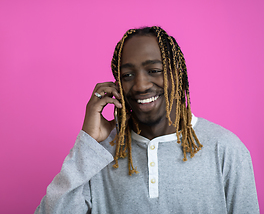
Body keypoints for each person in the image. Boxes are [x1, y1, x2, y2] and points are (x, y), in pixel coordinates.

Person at [34, 26, 259, 213]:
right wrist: (89, 143)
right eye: (127, 75)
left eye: (154, 70)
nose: (141, 85)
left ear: (176, 73)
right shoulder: (99, 154)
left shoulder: (226, 149)